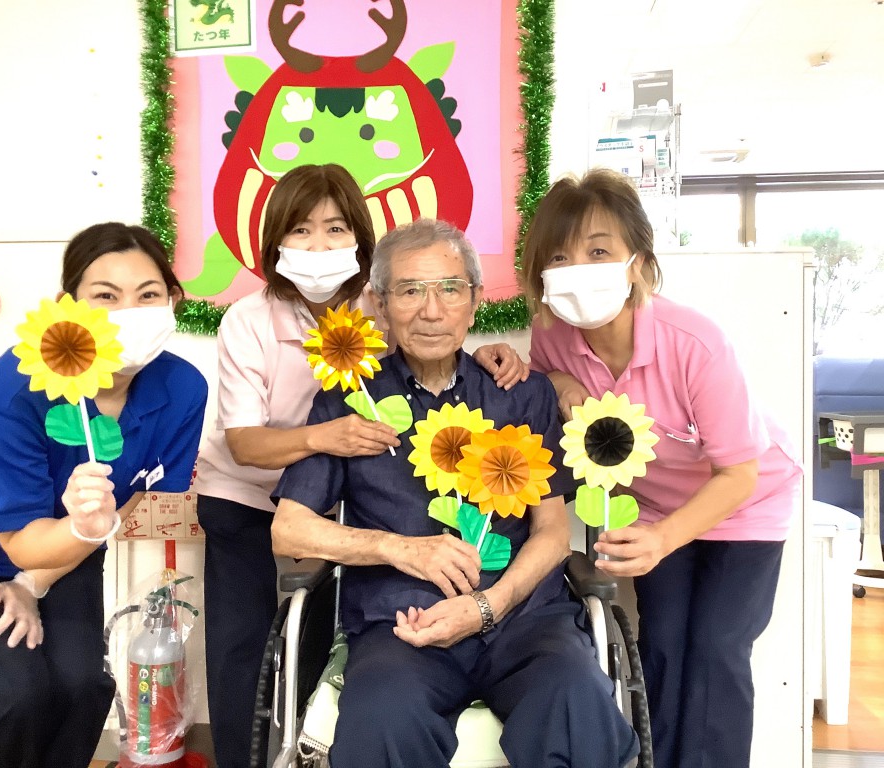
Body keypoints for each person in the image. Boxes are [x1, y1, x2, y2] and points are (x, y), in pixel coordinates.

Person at [270, 218, 640, 768]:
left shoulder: (521, 393)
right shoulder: (349, 399)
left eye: (449, 289)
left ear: (474, 300)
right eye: (410, 291)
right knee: (382, 718)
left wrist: (489, 606)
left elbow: (552, 534)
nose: (432, 310)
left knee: (574, 700)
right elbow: (289, 530)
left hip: (524, 620)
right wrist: (399, 549)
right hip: (403, 627)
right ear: (379, 304)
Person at [194, 163, 530, 768]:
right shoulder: (248, 320)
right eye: (300, 230)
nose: (318, 246)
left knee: (317, 637)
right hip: (246, 494)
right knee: (243, 644)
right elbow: (245, 445)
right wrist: (327, 436)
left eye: (335, 229)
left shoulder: (375, 307)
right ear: (275, 240)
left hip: (328, 495)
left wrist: (484, 353)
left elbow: (428, 339)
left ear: (360, 239)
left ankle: (304, 748)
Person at [0, 222, 208, 768]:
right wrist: (45, 556)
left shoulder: (182, 388)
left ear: (173, 302)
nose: (128, 312)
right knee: (18, 695)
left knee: (83, 686)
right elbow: (20, 542)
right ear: (68, 307)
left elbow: (135, 494)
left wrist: (33, 582)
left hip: (67, 553)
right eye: (105, 296)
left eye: (148, 295)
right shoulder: (10, 393)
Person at [520, 167, 802, 768]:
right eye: (560, 257)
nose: (578, 270)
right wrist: (559, 380)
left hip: (744, 503)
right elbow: (545, 377)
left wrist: (664, 539)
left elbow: (740, 473)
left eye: (599, 252)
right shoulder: (554, 336)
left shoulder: (694, 342)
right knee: (665, 645)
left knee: (718, 646)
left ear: (639, 264)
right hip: (653, 506)